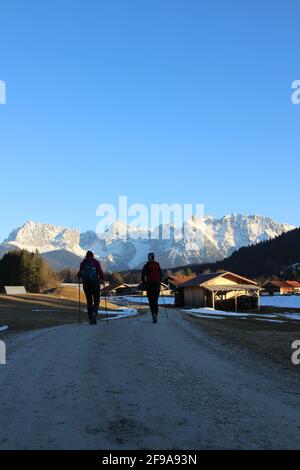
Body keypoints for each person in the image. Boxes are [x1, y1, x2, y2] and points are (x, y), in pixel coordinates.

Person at [78, 251, 105, 325]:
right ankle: (94, 313)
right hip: (95, 283)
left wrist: (80, 275)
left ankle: (90, 318)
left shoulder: (83, 263)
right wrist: (103, 278)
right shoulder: (96, 262)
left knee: (89, 301)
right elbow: (100, 273)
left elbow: (79, 274)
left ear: (86, 256)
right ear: (93, 256)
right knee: (96, 300)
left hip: (86, 284)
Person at [141, 252, 162, 323]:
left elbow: (143, 277)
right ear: (154, 257)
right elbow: (161, 276)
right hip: (157, 285)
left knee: (151, 301)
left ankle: (153, 314)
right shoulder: (157, 265)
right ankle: (155, 314)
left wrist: (144, 284)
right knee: (155, 301)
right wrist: (159, 283)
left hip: (149, 285)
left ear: (148, 258)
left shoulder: (146, 266)